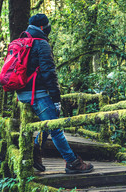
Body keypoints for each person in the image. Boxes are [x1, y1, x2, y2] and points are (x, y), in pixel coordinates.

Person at [17, 13, 94, 174]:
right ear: (42, 27)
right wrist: (56, 99)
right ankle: (72, 162)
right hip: (37, 94)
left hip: (22, 94)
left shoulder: (23, 41)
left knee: (48, 124)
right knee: (56, 127)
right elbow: (49, 74)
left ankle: (35, 151)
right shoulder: (41, 44)